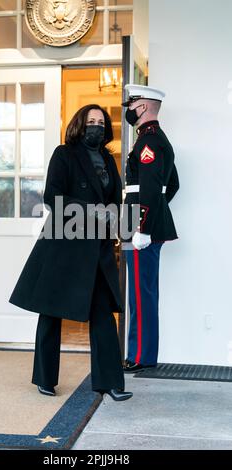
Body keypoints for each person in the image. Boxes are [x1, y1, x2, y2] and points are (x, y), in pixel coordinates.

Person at [9, 104, 133, 401]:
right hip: (65, 245)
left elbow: (115, 200)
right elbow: (53, 196)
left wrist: (117, 222)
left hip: (98, 248)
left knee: (103, 316)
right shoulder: (64, 154)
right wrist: (93, 213)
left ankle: (111, 383)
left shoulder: (107, 158)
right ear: (80, 124)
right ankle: (45, 378)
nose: (96, 127)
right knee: (52, 313)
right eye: (90, 121)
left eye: (101, 123)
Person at [121, 84, 180, 373]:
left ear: (143, 107)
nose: (129, 110)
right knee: (144, 292)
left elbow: (151, 187)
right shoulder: (157, 140)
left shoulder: (149, 142)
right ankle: (143, 353)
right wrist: (154, 212)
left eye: (132, 104)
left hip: (140, 227)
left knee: (141, 294)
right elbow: (172, 186)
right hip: (144, 223)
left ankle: (141, 356)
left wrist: (143, 227)